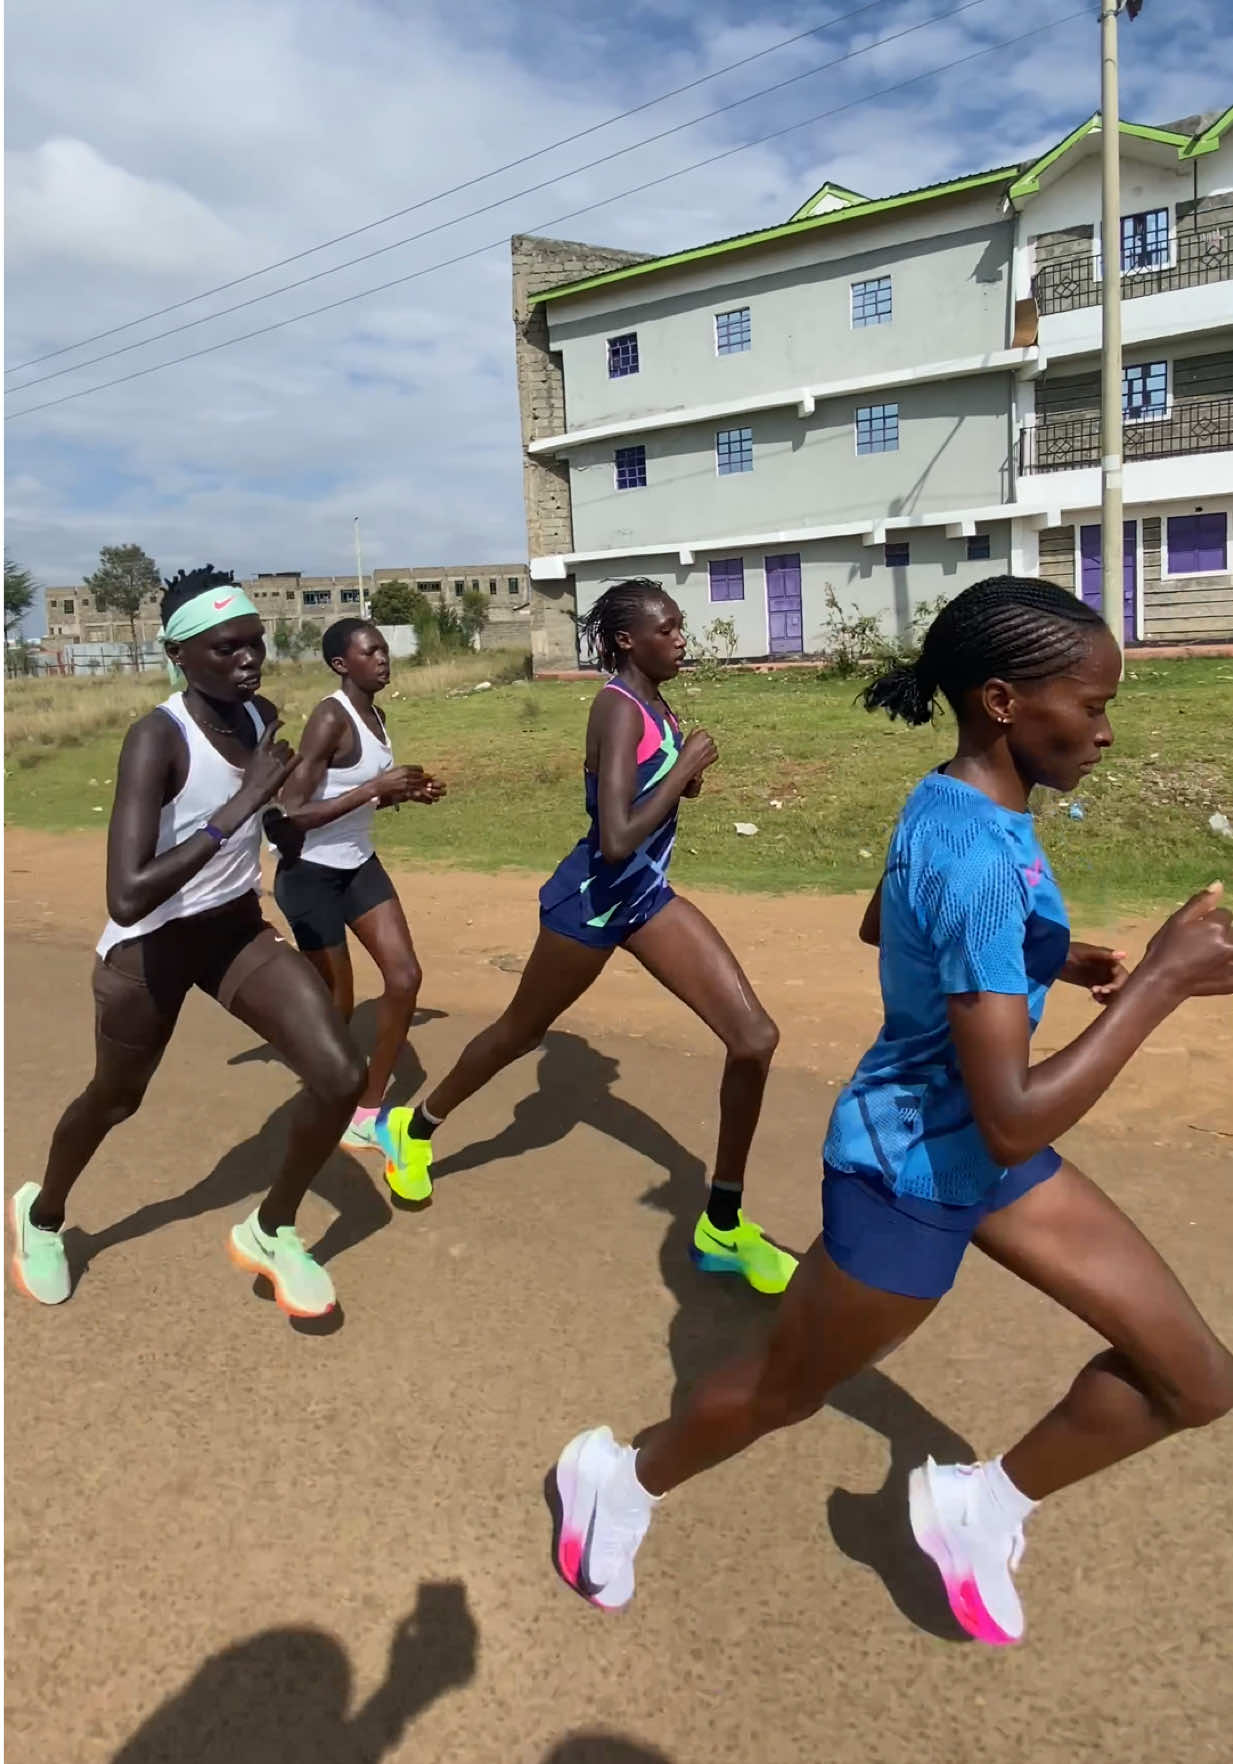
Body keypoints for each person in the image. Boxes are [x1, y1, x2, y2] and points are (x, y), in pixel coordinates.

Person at [551, 575, 1233, 1637]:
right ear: (1003, 702)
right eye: (1090, 706)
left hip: (983, 1152)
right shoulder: (972, 850)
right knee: (782, 1390)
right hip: (911, 1167)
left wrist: (1046, 951)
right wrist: (1160, 982)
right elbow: (1011, 1113)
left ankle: (980, 1509)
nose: (1105, 731)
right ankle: (618, 1479)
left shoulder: (958, 799)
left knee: (1194, 1380)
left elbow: (883, 922)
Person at [383, 578, 795, 1295]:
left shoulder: (658, 705)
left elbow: (653, 796)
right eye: (666, 629)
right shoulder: (615, 708)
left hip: (646, 899)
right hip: (594, 903)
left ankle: (720, 1225)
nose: (681, 638)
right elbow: (614, 838)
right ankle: (413, 1129)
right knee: (518, 1032)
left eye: (680, 627)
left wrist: (681, 771)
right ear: (629, 640)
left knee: (753, 1038)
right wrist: (688, 768)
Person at [9, 567, 368, 1321]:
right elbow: (128, 891)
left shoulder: (261, 716)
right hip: (151, 945)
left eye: (255, 644)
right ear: (181, 655)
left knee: (340, 1074)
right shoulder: (156, 739)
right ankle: (42, 1217)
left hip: (233, 928)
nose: (249, 660)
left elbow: (272, 819)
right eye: (227, 649)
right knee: (115, 1099)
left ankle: (270, 1230)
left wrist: (337, 809)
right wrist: (244, 800)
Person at [273, 618, 444, 1157]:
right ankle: (319, 1111)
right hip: (310, 876)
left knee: (405, 977)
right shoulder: (330, 718)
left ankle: (365, 1112)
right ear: (341, 665)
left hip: (357, 865)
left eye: (384, 650)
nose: (382, 658)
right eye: (369, 652)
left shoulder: (377, 716)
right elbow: (291, 814)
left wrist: (403, 795)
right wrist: (375, 787)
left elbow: (360, 796)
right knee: (338, 1009)